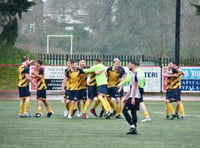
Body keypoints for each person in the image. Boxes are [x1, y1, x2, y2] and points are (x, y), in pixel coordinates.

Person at [118, 61, 141, 134]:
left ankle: (132, 126)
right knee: (133, 112)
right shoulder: (133, 74)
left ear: (133, 65)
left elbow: (135, 86)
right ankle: (134, 128)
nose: (128, 66)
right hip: (133, 95)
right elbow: (131, 87)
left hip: (135, 96)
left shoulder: (136, 74)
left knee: (124, 111)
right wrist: (126, 96)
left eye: (129, 64)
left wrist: (133, 97)